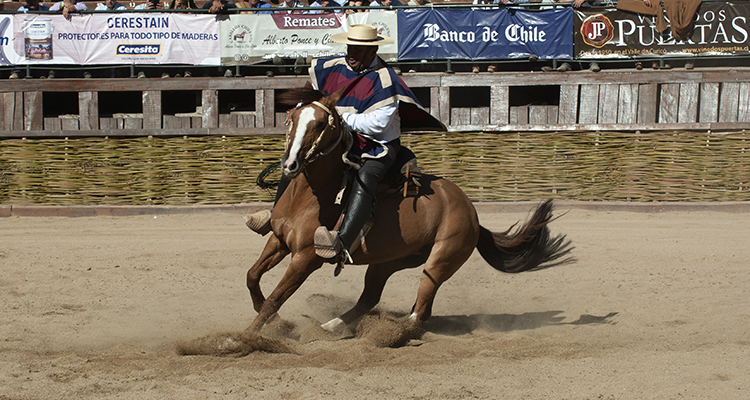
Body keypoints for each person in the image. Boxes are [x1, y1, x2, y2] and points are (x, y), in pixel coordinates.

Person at [245, 25, 440, 261]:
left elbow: (377, 125)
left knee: (366, 177)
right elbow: (312, 92)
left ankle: (343, 241)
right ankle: (273, 215)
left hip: (377, 145)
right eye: (349, 47)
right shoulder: (334, 66)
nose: (351, 53)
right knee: (297, 158)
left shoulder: (386, 78)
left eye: (357, 50)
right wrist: (299, 108)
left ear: (372, 51)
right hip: (344, 139)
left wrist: (338, 119)